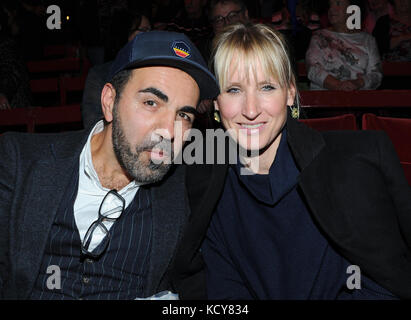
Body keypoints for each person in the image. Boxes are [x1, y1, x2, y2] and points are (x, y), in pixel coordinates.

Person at [172, 22, 411, 299]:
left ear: (289, 93)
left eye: (267, 87)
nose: (251, 110)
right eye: (234, 90)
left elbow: (385, 283)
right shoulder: (207, 182)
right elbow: (224, 287)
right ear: (215, 103)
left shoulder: (351, 167)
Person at [0, 30, 219, 299]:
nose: (169, 131)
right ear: (109, 102)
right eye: (151, 102)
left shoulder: (189, 190)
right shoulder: (21, 162)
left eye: (183, 114)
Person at [81, 12, 152, 129]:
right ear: (126, 34)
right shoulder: (100, 75)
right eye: (144, 30)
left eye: (151, 31)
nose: (150, 37)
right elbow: (92, 124)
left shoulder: (156, 72)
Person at [305, 0, 383, 90]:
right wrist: (338, 85)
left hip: (359, 98)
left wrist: (358, 83)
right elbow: (313, 68)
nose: (331, 9)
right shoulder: (319, 37)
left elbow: (376, 74)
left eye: (338, 3)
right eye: (330, 5)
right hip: (324, 98)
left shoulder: (367, 40)